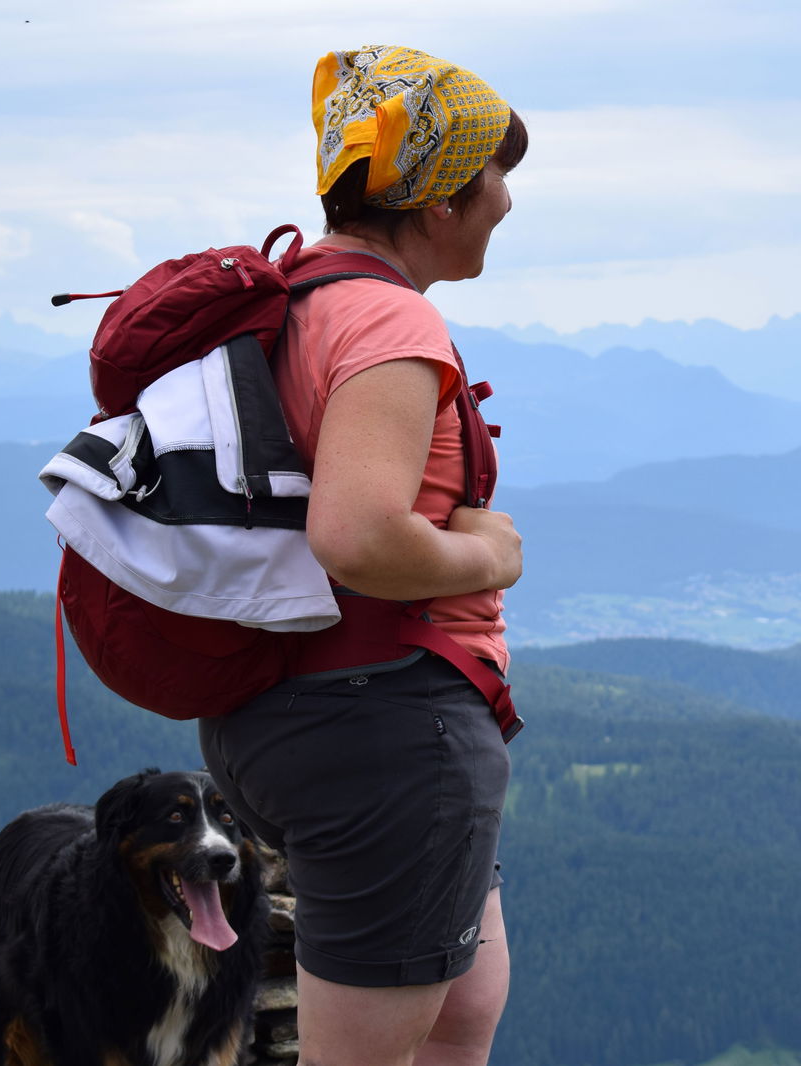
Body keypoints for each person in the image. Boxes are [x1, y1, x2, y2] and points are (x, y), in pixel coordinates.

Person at [198, 45, 528, 1066]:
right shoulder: (390, 319)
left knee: (463, 1001)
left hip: (287, 712)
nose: (508, 200)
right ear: (438, 202)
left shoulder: (299, 295)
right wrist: (490, 557)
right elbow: (356, 534)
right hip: (382, 727)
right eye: (495, 175)